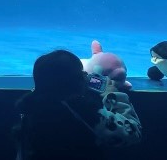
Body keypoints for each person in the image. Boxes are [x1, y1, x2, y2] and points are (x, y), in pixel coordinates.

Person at [12, 49, 142, 160]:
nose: (86, 76)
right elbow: (132, 133)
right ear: (77, 81)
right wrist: (112, 95)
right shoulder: (86, 112)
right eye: (82, 73)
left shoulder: (29, 108)